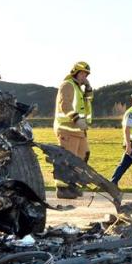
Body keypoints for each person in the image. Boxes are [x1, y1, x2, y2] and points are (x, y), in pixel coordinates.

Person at [52, 61, 93, 199]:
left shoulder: (78, 88)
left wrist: (88, 87)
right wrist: (77, 119)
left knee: (83, 156)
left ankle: (73, 184)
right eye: (82, 73)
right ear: (75, 72)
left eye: (86, 74)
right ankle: (62, 189)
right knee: (67, 160)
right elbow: (65, 105)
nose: (84, 77)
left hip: (78, 131)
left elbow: (88, 101)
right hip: (67, 129)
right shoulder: (67, 85)